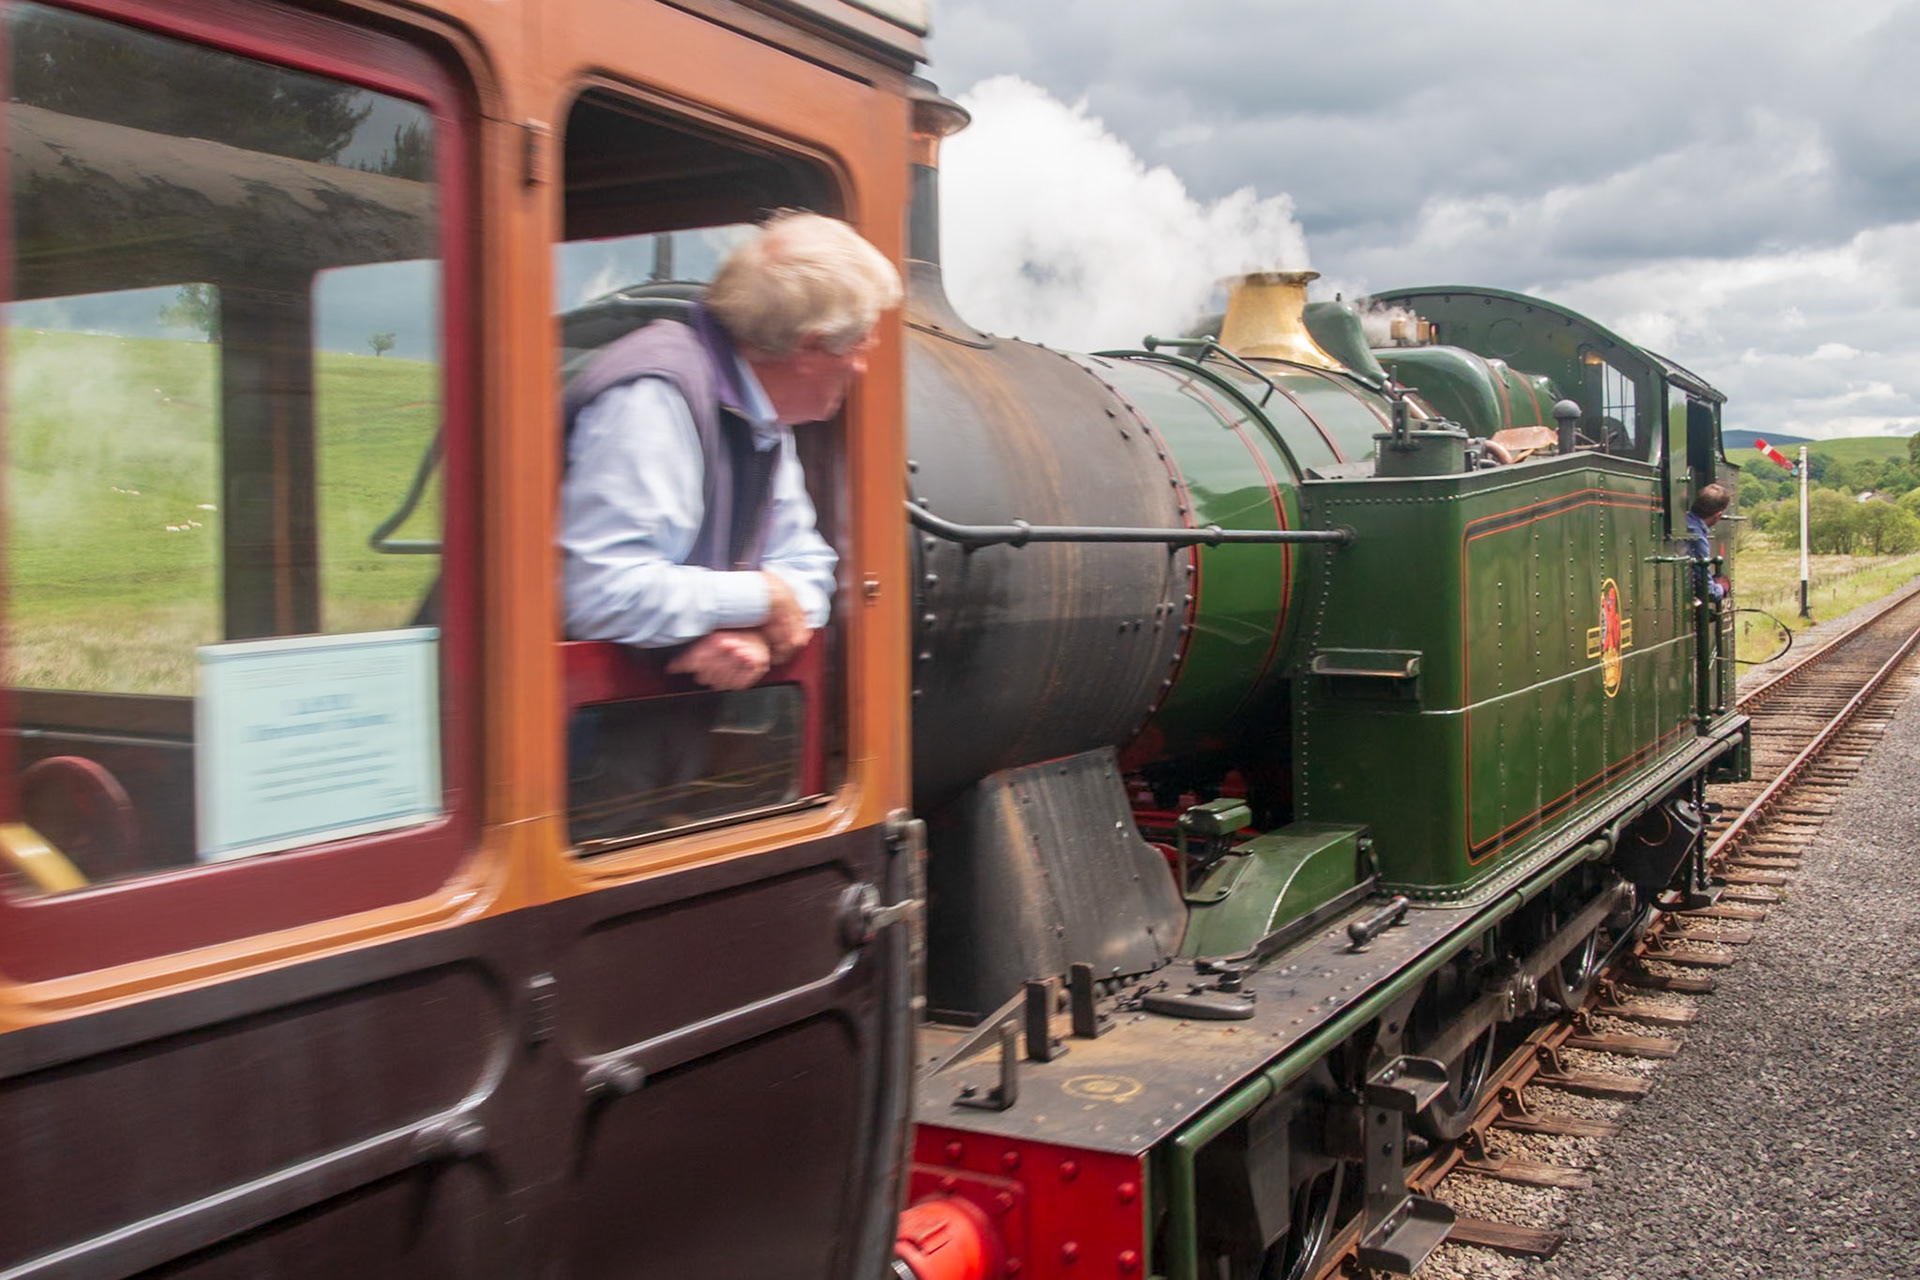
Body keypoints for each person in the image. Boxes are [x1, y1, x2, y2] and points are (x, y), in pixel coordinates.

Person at [560, 210, 902, 689]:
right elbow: (604, 593)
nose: (863, 368)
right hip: (570, 740)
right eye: (859, 346)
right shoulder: (654, 399)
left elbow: (810, 572)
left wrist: (759, 632)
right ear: (808, 348)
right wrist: (763, 598)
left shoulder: (763, 415)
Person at [1686, 482, 1733, 603]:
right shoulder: (1697, 537)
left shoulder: (1685, 522)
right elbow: (1708, 592)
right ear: (1718, 514)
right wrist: (1722, 588)